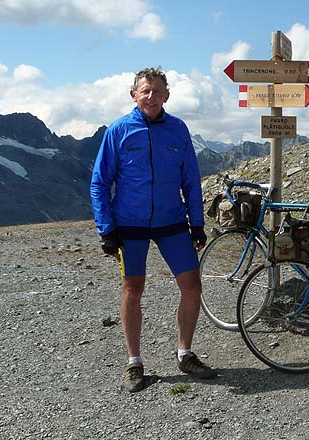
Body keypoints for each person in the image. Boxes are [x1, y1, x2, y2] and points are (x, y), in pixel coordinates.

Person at [90, 67, 215, 393]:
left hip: (172, 221)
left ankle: (185, 353)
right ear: (134, 94)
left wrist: (197, 222)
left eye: (157, 91)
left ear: (167, 96)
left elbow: (191, 178)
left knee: (191, 285)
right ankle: (134, 362)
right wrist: (106, 228)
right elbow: (100, 182)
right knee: (133, 288)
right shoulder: (118, 131)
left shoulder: (177, 129)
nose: (151, 96)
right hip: (129, 223)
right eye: (145, 91)